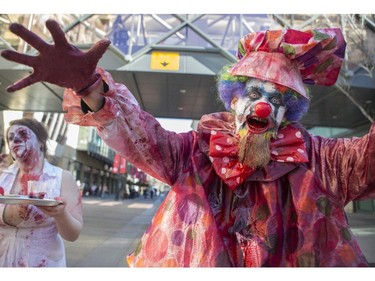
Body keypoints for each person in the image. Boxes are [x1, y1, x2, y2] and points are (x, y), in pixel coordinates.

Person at [1, 19, 375, 267]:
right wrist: (90, 89)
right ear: (233, 99)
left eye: (278, 100)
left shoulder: (320, 159)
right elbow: (141, 135)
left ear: (288, 113)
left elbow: (367, 160)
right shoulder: (194, 150)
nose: (265, 105)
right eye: (256, 93)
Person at [0, 118, 83, 267]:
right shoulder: (3, 177)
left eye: (22, 136)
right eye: (11, 138)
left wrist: (60, 214)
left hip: (41, 264)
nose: (15, 142)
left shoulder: (62, 178)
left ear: (40, 142)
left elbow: (73, 235)